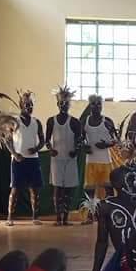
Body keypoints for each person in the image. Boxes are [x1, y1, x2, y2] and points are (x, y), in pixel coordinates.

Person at [45, 85, 82, 226]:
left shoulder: (75, 122)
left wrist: (76, 150)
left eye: (66, 103)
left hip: (70, 159)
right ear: (57, 104)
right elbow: (46, 140)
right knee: (57, 189)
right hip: (56, 159)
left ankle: (65, 218)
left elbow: (80, 140)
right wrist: (50, 149)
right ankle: (58, 218)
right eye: (61, 103)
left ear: (69, 105)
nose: (64, 106)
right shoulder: (51, 121)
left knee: (68, 190)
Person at [7, 90, 44, 226]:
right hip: (18, 160)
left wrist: (36, 148)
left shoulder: (37, 122)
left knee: (35, 190)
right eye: (27, 105)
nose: (30, 107)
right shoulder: (14, 121)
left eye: (31, 105)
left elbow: (42, 140)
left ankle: (35, 217)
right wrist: (15, 154)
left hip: (33, 159)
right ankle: (10, 217)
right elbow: (7, 140)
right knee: (15, 190)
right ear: (21, 105)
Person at [82, 94, 118, 221]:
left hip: (105, 161)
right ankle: (91, 214)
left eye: (99, 104)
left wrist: (106, 144)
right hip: (90, 160)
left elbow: (116, 140)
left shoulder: (107, 121)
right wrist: (84, 146)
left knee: (108, 189)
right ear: (90, 105)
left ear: (102, 106)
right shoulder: (85, 121)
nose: (97, 107)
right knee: (90, 189)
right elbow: (80, 139)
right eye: (94, 104)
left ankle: (109, 214)